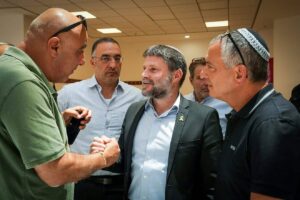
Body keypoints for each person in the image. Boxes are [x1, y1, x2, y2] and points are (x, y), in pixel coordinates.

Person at [0, 8, 120, 200]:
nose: (82, 61)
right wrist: (104, 158)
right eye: (79, 52)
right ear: (54, 46)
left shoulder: (15, 71)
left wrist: (58, 124)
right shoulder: (23, 82)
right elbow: (55, 171)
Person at [91, 44, 223, 199]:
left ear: (176, 75)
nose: (144, 74)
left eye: (153, 69)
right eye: (144, 68)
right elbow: (124, 161)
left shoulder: (203, 117)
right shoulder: (134, 111)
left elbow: (213, 182)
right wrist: (107, 154)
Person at [205, 28, 300, 199]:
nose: (203, 74)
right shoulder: (245, 113)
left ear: (239, 74)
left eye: (210, 67)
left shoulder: (274, 123)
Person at [58, 37, 144, 200]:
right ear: (92, 61)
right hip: (81, 184)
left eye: (117, 58)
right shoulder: (69, 94)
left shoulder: (137, 98)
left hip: (122, 186)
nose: (112, 64)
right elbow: (51, 133)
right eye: (105, 58)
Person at [185, 57, 232, 138]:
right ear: (191, 80)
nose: (206, 83)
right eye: (200, 78)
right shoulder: (182, 102)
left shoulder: (227, 104)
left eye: (209, 77)